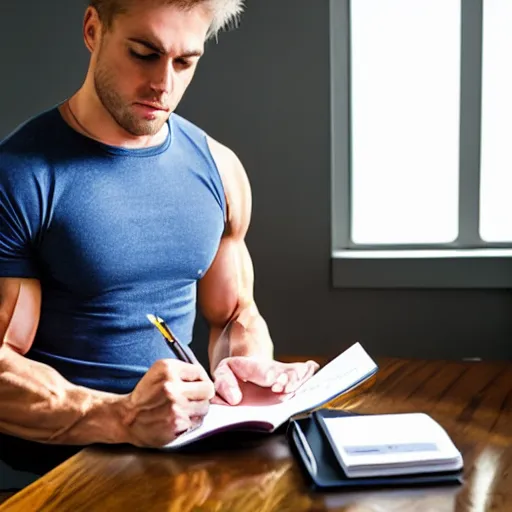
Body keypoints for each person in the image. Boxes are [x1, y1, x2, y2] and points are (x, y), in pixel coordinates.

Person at [0, 0, 319, 464]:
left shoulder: (219, 168)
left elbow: (234, 313)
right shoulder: (19, 177)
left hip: (181, 454)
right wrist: (122, 416)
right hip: (58, 472)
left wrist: (242, 367)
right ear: (93, 30)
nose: (163, 85)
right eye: (143, 53)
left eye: (185, 61)